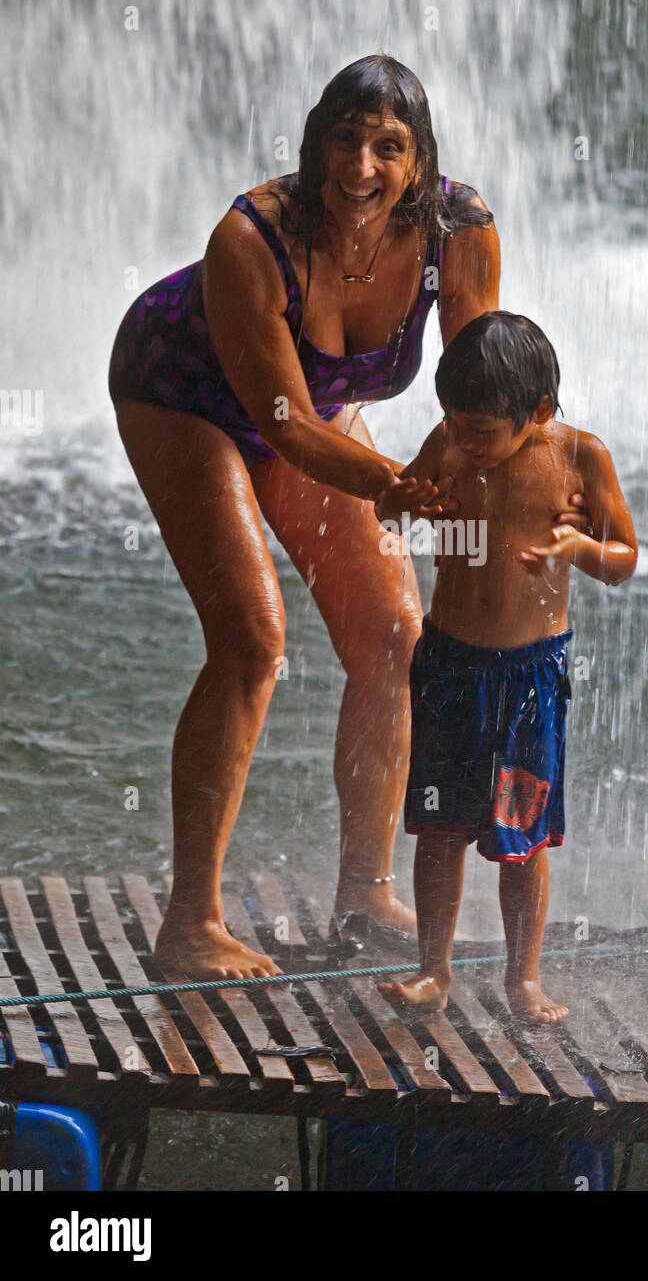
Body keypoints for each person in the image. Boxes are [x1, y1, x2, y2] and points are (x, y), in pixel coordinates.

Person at [107, 56, 591, 979]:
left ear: (420, 163)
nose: (361, 166)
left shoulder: (459, 229)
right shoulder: (253, 238)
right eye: (345, 140)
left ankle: (365, 893)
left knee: (398, 637)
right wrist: (396, 486)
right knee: (253, 638)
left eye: (388, 147)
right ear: (315, 142)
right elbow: (285, 424)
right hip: (187, 393)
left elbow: (475, 400)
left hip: (312, 413)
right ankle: (189, 923)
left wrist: (531, 496)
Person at [378, 311, 638, 1023]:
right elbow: (393, 516)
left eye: (482, 433)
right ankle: (433, 971)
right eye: (454, 425)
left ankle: (523, 979)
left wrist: (576, 549)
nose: (465, 443)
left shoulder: (581, 458)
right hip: (450, 665)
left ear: (540, 412)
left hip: (529, 679)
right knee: (439, 827)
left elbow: (624, 560)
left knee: (521, 836)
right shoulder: (451, 443)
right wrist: (399, 502)